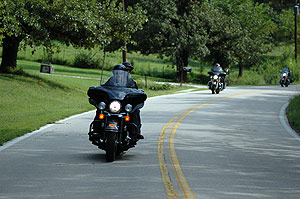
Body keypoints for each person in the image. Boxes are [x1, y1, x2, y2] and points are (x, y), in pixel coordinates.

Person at [122, 62, 144, 139]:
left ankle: (136, 132)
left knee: (136, 111)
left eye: (129, 70)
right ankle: (96, 130)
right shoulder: (112, 80)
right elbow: (105, 87)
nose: (127, 72)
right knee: (100, 109)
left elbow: (136, 92)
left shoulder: (131, 82)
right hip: (115, 103)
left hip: (126, 104)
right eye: (125, 70)